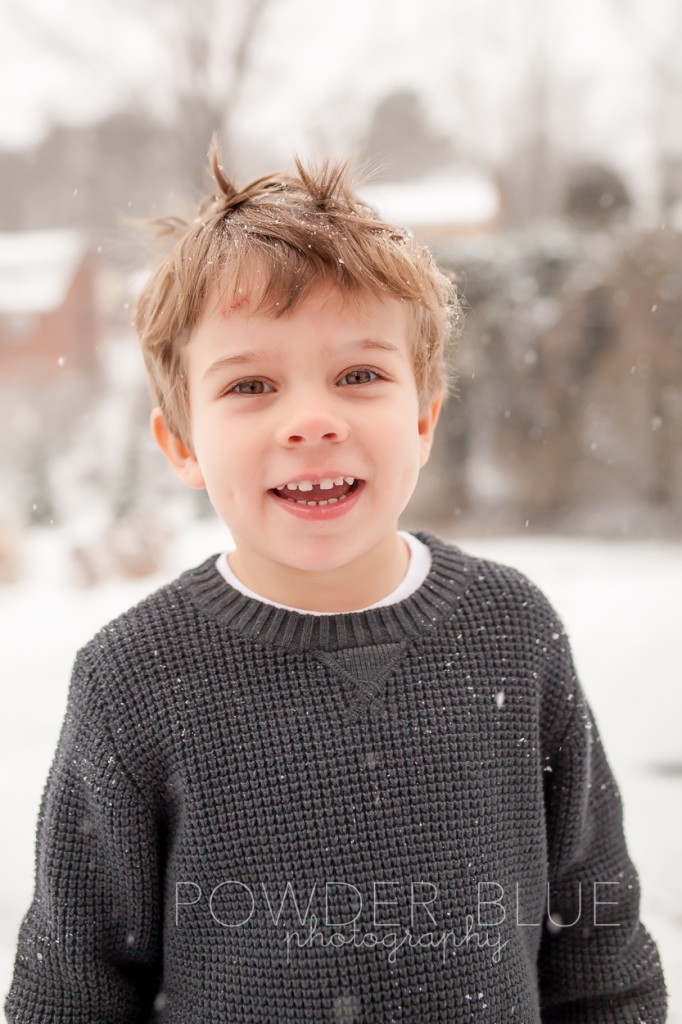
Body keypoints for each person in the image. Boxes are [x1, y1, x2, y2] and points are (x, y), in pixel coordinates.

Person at [5, 139, 667, 1023]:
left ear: (424, 415)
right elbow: (74, 985)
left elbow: (597, 935)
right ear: (180, 444)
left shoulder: (514, 633)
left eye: (360, 375)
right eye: (251, 385)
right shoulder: (134, 680)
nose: (312, 420)